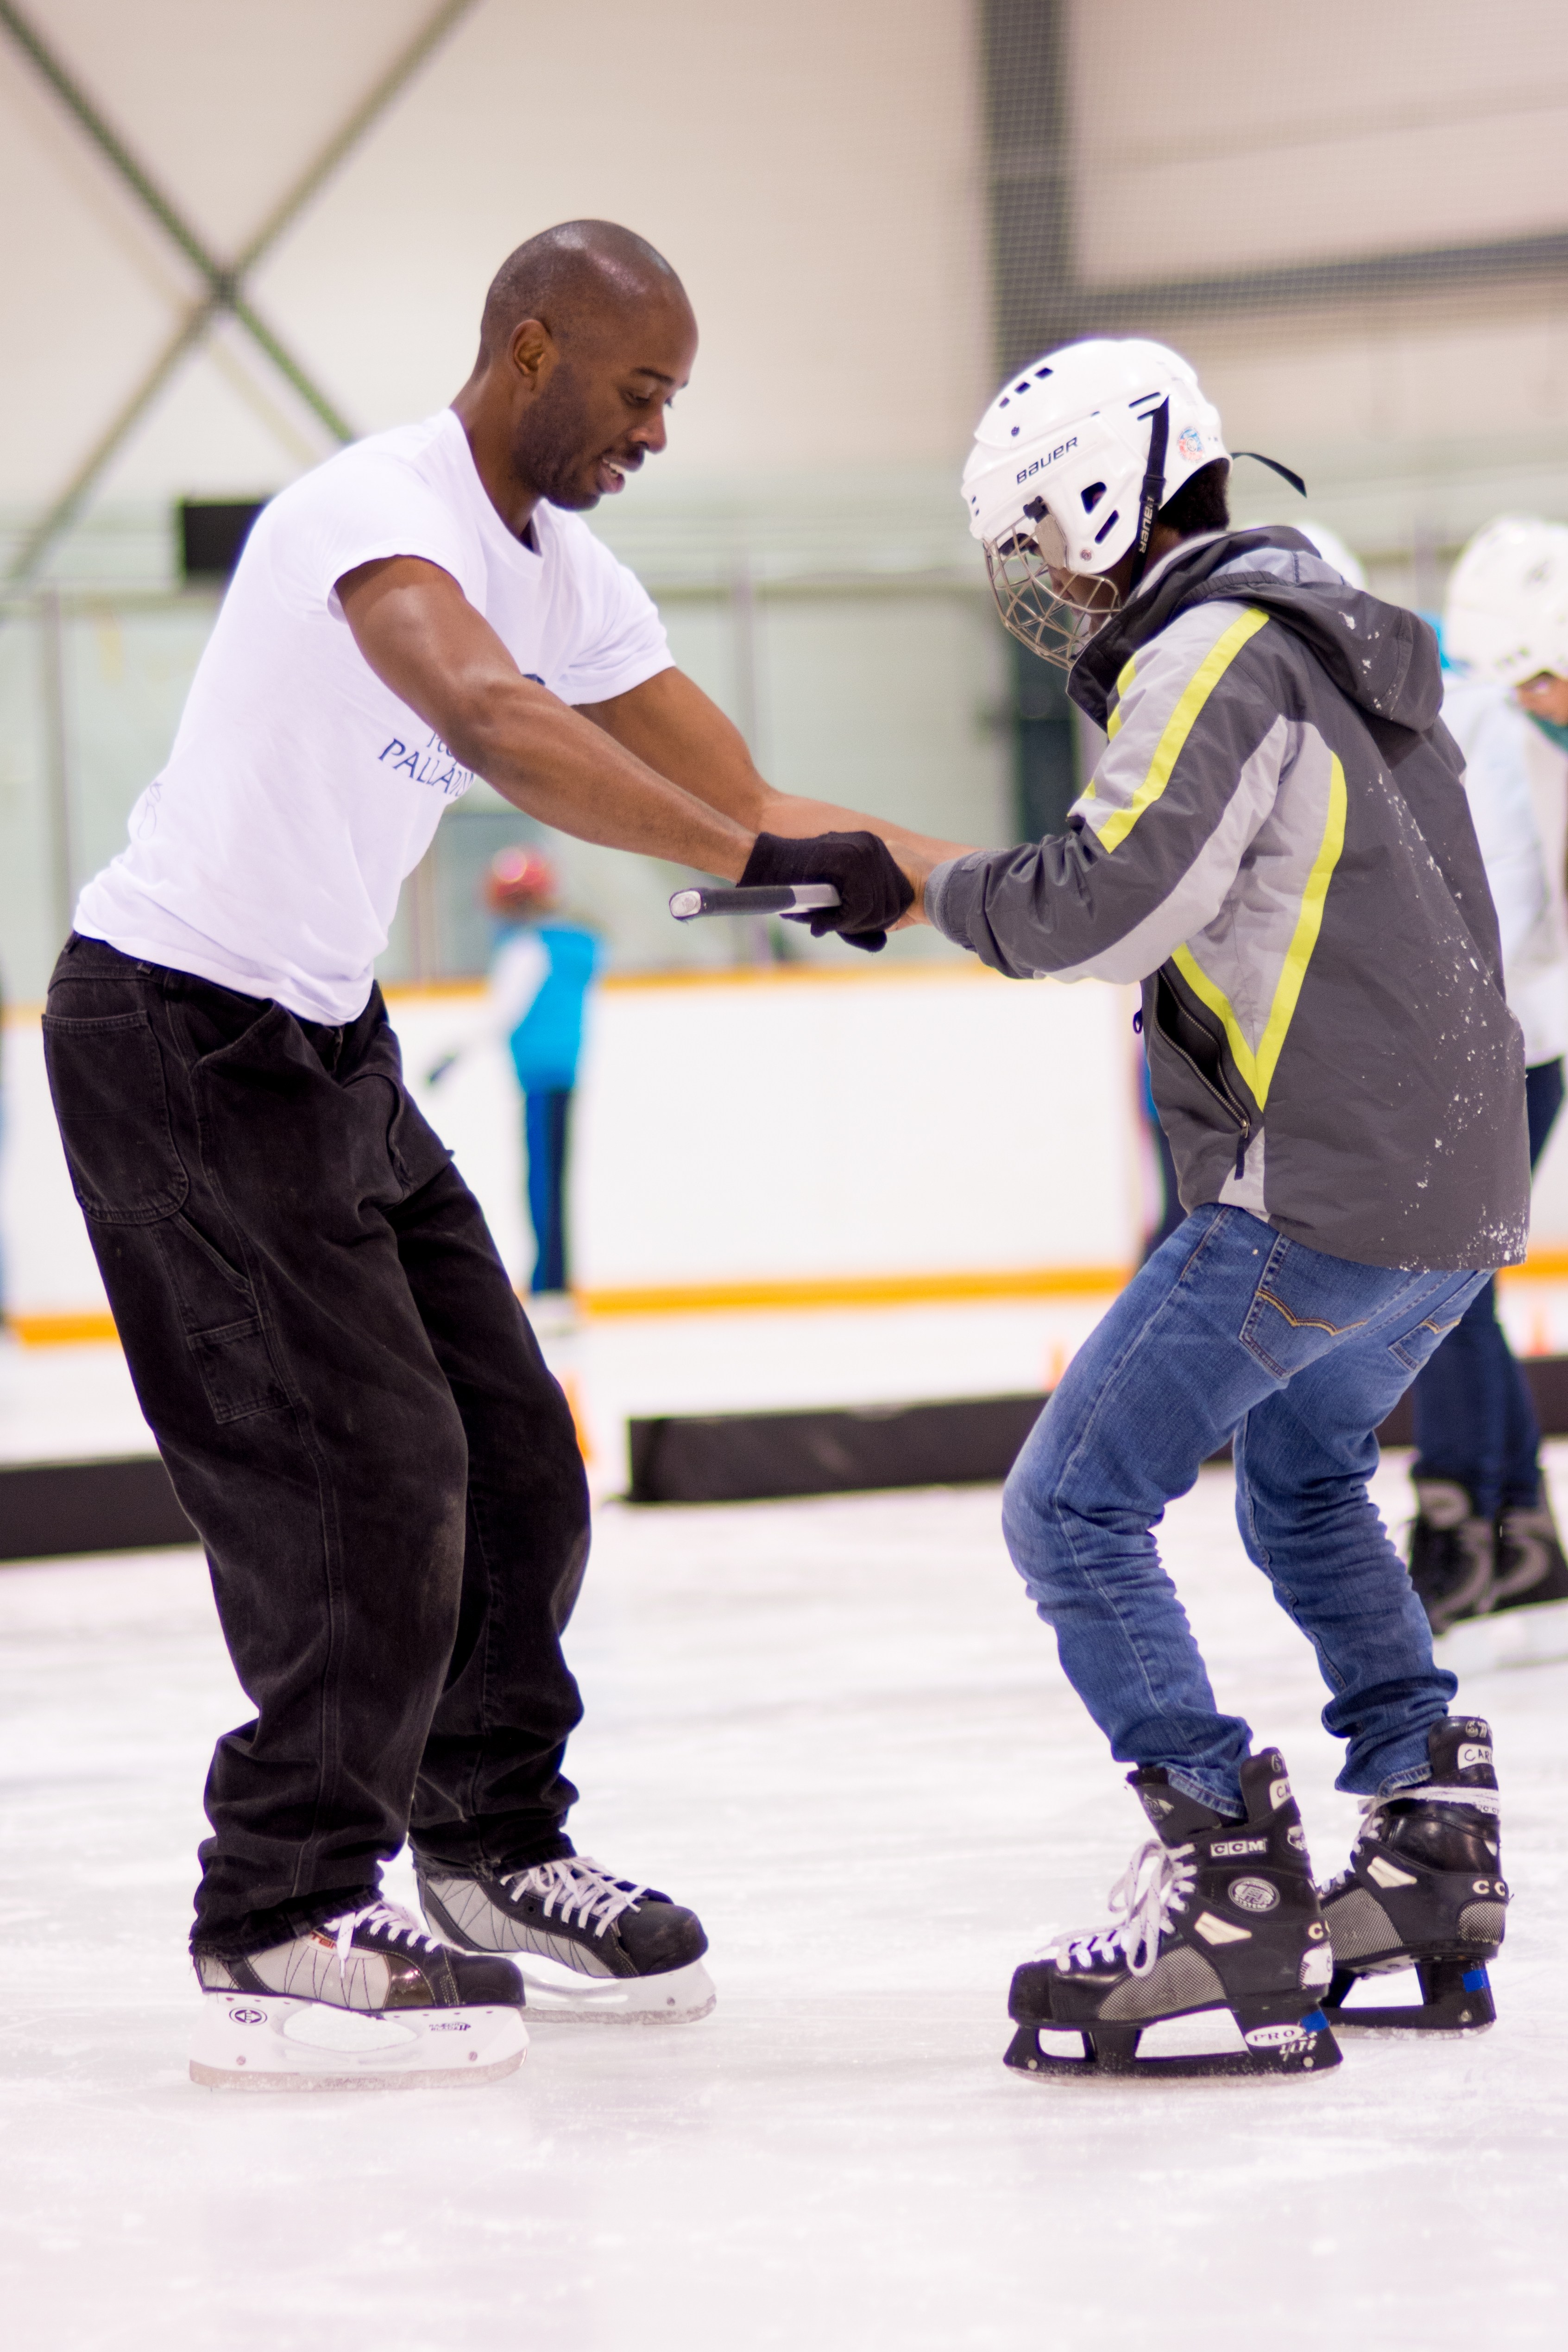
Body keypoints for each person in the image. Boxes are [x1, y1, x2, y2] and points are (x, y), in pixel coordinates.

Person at [44, 219, 946, 2082]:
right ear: (532, 351)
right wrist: (759, 865)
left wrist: (1044, 887)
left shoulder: (574, 577)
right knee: (368, 1468)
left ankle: (487, 1842)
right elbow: (485, 717)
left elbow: (751, 800)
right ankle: (281, 1902)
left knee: (520, 1459)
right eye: (640, 391)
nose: (657, 433)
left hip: (326, 1039)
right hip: (173, 1029)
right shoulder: (370, 517)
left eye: (673, 402)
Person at [818, 335, 1523, 2078]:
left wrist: (921, 883)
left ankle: (1227, 1879)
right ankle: (1426, 1836)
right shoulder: (1336, 639)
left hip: (1317, 1186)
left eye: (1045, 543)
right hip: (1452, 1193)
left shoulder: (1209, 650)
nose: (1050, 586)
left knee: (1069, 1505)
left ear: (1100, 492)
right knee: (1298, 1484)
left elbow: (1097, 904)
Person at [1405, 518, 1568, 1645]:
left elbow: (1501, 908)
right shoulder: (1501, 720)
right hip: (1509, 1040)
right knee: (1454, 1287)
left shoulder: (1491, 729)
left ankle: (1466, 1526)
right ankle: (1511, 1526)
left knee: (1436, 1289)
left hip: (1500, 1044)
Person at [428, 846, 597, 1299]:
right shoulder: (570, 946)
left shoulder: (527, 947)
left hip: (540, 1078)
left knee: (541, 1182)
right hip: (561, 1073)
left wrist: (451, 1058)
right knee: (551, 1180)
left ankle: (550, 1284)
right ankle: (553, 1279)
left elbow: (501, 1014)